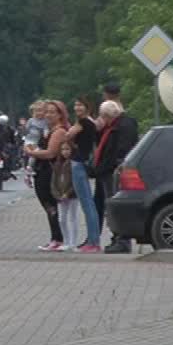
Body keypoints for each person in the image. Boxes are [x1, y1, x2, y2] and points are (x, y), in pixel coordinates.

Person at [92, 99, 139, 253]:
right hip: (109, 171)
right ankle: (117, 238)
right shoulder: (113, 126)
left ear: (107, 116)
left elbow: (120, 151)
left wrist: (113, 167)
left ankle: (122, 240)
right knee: (111, 207)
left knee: (115, 208)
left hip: (115, 172)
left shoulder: (123, 126)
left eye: (102, 117)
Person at [25, 101, 69, 251]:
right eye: (47, 112)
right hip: (41, 170)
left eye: (52, 112)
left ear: (60, 114)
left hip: (49, 171)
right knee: (48, 205)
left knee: (51, 205)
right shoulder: (47, 129)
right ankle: (56, 237)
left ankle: (58, 238)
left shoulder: (58, 132)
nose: (48, 115)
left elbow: (50, 153)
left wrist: (31, 153)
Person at [65, 97, 101, 252]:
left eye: (80, 105)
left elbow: (67, 136)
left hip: (79, 163)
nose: (77, 108)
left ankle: (93, 242)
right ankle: (93, 240)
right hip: (84, 162)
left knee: (87, 203)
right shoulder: (92, 123)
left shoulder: (83, 123)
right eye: (75, 105)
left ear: (88, 107)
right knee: (88, 203)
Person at [51, 140, 79, 252]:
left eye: (67, 149)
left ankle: (73, 242)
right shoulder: (58, 164)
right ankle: (66, 241)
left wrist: (67, 193)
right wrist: (57, 194)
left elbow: (75, 181)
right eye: (63, 149)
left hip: (72, 195)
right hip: (60, 196)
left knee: (73, 218)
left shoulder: (74, 164)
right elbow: (53, 182)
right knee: (62, 219)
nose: (65, 152)